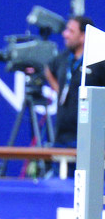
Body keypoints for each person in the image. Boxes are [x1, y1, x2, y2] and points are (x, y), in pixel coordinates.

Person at [44, 15, 105, 147]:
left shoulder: (99, 61)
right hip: (61, 135)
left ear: (83, 36)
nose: (65, 34)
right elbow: (48, 69)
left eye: (71, 31)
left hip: (88, 138)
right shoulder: (63, 57)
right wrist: (60, 91)